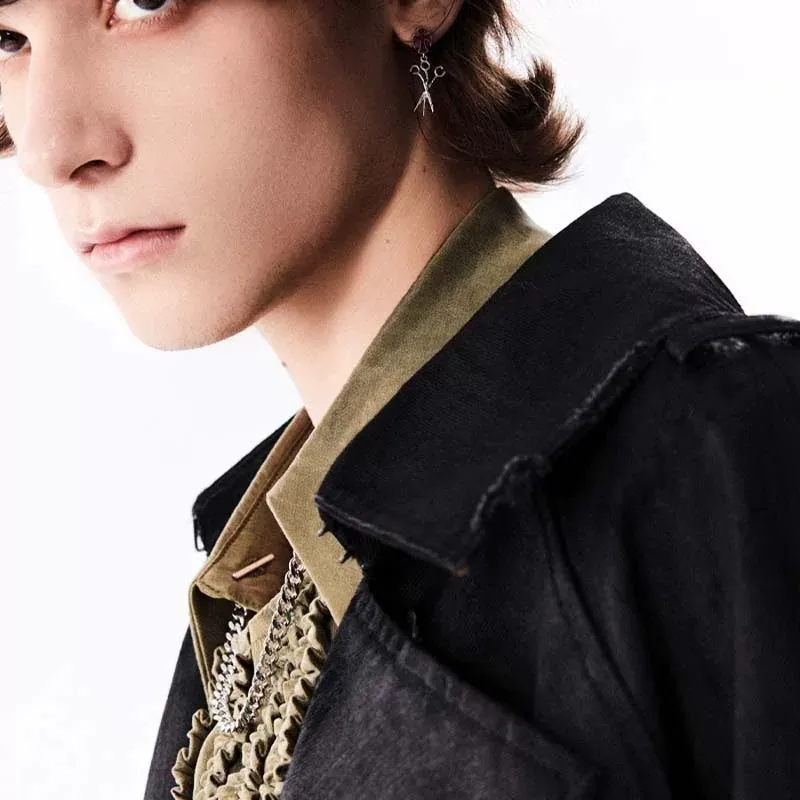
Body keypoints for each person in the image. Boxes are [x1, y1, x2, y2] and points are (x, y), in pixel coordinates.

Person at [2, 1, 800, 798]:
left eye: (145, 2)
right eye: (7, 38)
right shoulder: (262, 589)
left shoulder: (722, 448)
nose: (48, 147)